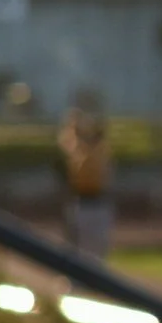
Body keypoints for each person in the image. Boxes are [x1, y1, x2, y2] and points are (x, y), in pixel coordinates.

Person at [59, 99, 115, 259]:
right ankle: (73, 278)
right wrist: (72, 124)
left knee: (98, 246)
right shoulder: (76, 149)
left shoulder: (101, 149)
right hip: (81, 201)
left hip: (98, 201)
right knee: (75, 245)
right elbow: (67, 140)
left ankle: (96, 277)